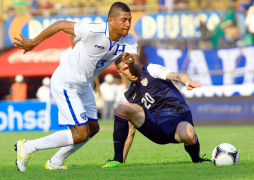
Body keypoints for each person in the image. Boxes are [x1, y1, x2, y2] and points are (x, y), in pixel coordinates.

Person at [13, 2, 141, 172]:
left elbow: (136, 69)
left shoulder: (130, 40)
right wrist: (33, 43)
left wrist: (132, 63)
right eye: (124, 20)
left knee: (93, 129)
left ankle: (56, 161)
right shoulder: (93, 30)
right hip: (66, 82)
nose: (128, 24)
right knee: (80, 133)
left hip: (83, 85)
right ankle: (28, 146)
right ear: (111, 20)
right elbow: (59, 25)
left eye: (130, 20)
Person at [102, 59, 211, 168]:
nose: (130, 70)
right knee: (122, 107)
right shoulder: (130, 94)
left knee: (189, 135)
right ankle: (118, 160)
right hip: (157, 128)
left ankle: (197, 160)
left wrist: (187, 82)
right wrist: (122, 158)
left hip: (177, 118)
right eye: (126, 68)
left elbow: (177, 75)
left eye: (131, 66)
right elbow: (131, 129)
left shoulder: (150, 69)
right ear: (120, 72)